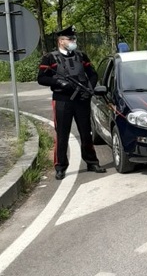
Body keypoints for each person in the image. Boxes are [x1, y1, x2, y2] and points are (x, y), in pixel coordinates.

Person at [37, 26, 107, 180]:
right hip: (62, 100)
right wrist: (58, 83)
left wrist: (89, 89)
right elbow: (41, 78)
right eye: (70, 39)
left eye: (74, 39)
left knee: (86, 132)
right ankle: (60, 167)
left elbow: (92, 74)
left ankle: (92, 162)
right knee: (62, 134)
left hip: (81, 100)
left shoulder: (81, 56)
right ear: (61, 41)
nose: (73, 41)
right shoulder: (50, 58)